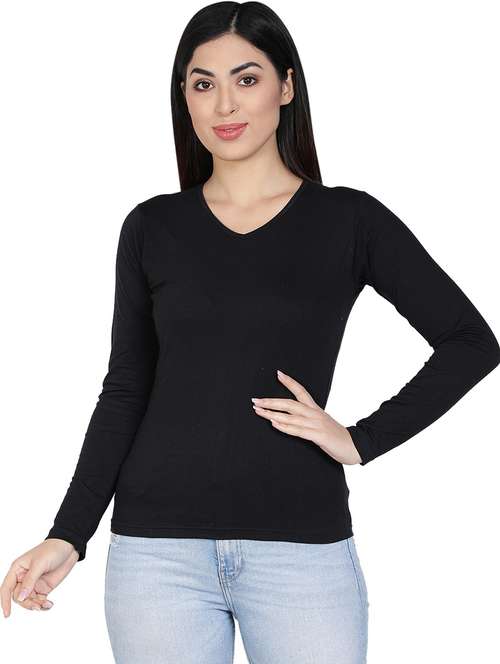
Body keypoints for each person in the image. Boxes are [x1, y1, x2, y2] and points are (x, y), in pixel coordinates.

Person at [1, 2, 499, 663]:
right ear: (183, 97)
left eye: (247, 78)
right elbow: (126, 391)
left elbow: (471, 342)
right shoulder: (152, 227)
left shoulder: (350, 221)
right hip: (158, 558)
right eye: (203, 83)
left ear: (286, 86)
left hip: (302, 553)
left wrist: (361, 440)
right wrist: (69, 533)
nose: (224, 104)